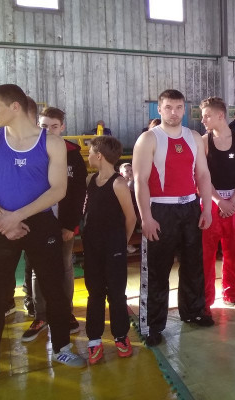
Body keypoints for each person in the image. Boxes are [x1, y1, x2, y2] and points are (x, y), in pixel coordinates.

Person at [0, 85, 85, 397]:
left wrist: (17, 216)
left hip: (38, 222)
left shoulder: (52, 143)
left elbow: (58, 189)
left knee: (54, 288)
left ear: (15, 107)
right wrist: (3, 219)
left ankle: (61, 347)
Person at [132, 89, 213, 348]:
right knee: (157, 271)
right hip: (160, 210)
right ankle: (152, 325)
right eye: (168, 107)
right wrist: (146, 217)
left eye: (178, 108)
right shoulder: (148, 139)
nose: (174, 112)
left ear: (184, 109)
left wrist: (206, 209)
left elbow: (203, 175)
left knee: (193, 265)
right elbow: (140, 180)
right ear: (159, 109)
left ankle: (194, 311)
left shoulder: (194, 137)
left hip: (190, 208)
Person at [22, 107, 88, 343]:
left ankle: (65, 313)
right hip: (35, 223)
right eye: (44, 126)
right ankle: (41, 316)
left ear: (62, 128)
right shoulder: (28, 151)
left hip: (63, 224)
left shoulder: (73, 154)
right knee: (37, 269)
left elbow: (80, 192)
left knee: (65, 267)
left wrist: (70, 225)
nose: (48, 131)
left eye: (54, 126)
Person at [84, 136, 137, 365]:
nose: (88, 156)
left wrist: (121, 243)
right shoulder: (90, 180)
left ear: (99, 156)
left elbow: (131, 217)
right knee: (94, 292)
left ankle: (121, 336)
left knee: (116, 293)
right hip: (92, 246)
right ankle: (94, 339)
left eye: (90, 152)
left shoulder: (118, 184)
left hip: (113, 246)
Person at [200, 97, 235, 312]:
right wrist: (219, 201)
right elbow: (202, 176)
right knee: (206, 253)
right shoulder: (203, 141)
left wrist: (233, 200)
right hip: (210, 201)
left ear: (220, 115)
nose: (203, 120)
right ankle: (204, 300)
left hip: (234, 201)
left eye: (206, 116)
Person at [119, 162, 140, 253]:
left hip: (135, 210)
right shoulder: (120, 184)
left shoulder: (135, 183)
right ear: (121, 173)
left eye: (131, 170)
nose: (130, 172)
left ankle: (132, 243)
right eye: (127, 171)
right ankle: (127, 244)